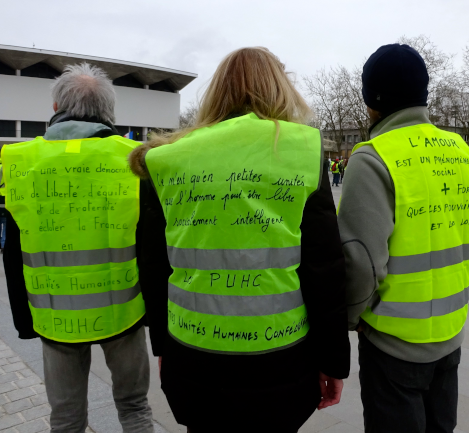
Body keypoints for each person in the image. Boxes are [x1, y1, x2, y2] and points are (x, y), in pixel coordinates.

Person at [129, 47, 349, 432]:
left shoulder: (166, 157)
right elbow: (324, 268)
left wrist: (163, 345)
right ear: (281, 88)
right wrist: (333, 361)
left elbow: (153, 265)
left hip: (193, 354)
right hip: (280, 356)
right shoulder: (302, 149)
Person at [338, 44, 469, 433]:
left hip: (392, 345)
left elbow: (361, 264)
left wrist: (350, 319)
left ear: (372, 100)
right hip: (450, 337)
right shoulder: (460, 150)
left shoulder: (371, 158)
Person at [2, 63, 154, 432]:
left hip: (55, 317)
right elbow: (151, 246)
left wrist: (25, 322)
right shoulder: (135, 158)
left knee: (67, 417)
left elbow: (12, 250)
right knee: (134, 407)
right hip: (124, 314)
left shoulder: (22, 162)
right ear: (109, 111)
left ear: (56, 108)